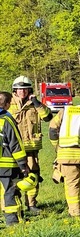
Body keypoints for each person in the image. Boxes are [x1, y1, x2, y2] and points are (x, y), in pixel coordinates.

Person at [9, 75, 53, 215]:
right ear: (14, 90)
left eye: (25, 89)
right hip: (12, 149)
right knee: (13, 177)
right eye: (19, 89)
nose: (22, 92)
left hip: (31, 150)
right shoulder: (8, 103)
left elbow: (48, 117)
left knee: (32, 176)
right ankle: (15, 205)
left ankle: (32, 204)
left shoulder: (35, 104)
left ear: (29, 90)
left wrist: (36, 103)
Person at [0, 91, 29, 227]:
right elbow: (15, 144)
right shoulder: (6, 119)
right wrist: (23, 165)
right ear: (6, 104)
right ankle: (13, 222)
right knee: (11, 192)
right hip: (7, 166)